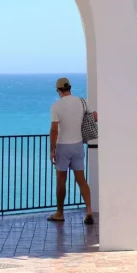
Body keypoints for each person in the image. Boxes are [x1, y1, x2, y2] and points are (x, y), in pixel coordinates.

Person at [47, 77, 95, 224]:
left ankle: (60, 213)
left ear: (58, 90)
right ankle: (89, 211)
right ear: (70, 88)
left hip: (63, 146)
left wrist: (52, 149)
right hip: (78, 145)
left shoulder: (56, 106)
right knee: (81, 180)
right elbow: (95, 116)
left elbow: (54, 129)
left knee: (61, 180)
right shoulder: (82, 102)